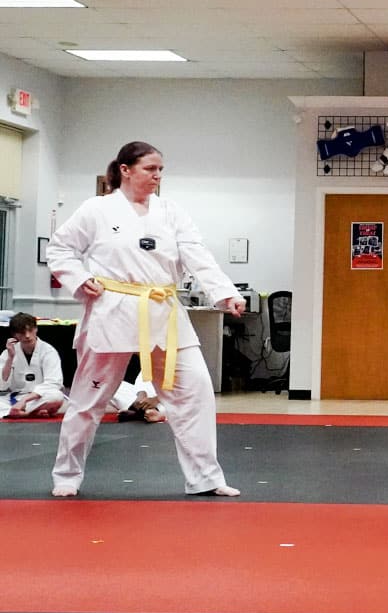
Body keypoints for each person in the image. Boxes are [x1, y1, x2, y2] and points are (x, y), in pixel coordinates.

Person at [46, 141, 244, 498]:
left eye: (160, 170)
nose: (157, 176)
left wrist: (223, 292)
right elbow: (59, 249)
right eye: (150, 169)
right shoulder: (97, 210)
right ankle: (67, 474)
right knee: (87, 401)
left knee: (196, 391)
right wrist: (78, 278)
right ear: (126, 169)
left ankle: (205, 478)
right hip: (113, 309)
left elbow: (198, 255)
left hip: (163, 311)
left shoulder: (171, 212)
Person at [1, 313, 67, 419]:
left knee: (56, 397)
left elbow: (53, 382)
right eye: (22, 333)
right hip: (15, 398)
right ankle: (30, 413)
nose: (27, 336)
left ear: (36, 329)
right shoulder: (8, 353)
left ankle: (18, 412)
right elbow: (3, 385)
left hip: (39, 397)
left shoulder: (48, 351)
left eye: (30, 330)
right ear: (15, 335)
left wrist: (24, 400)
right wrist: (10, 358)